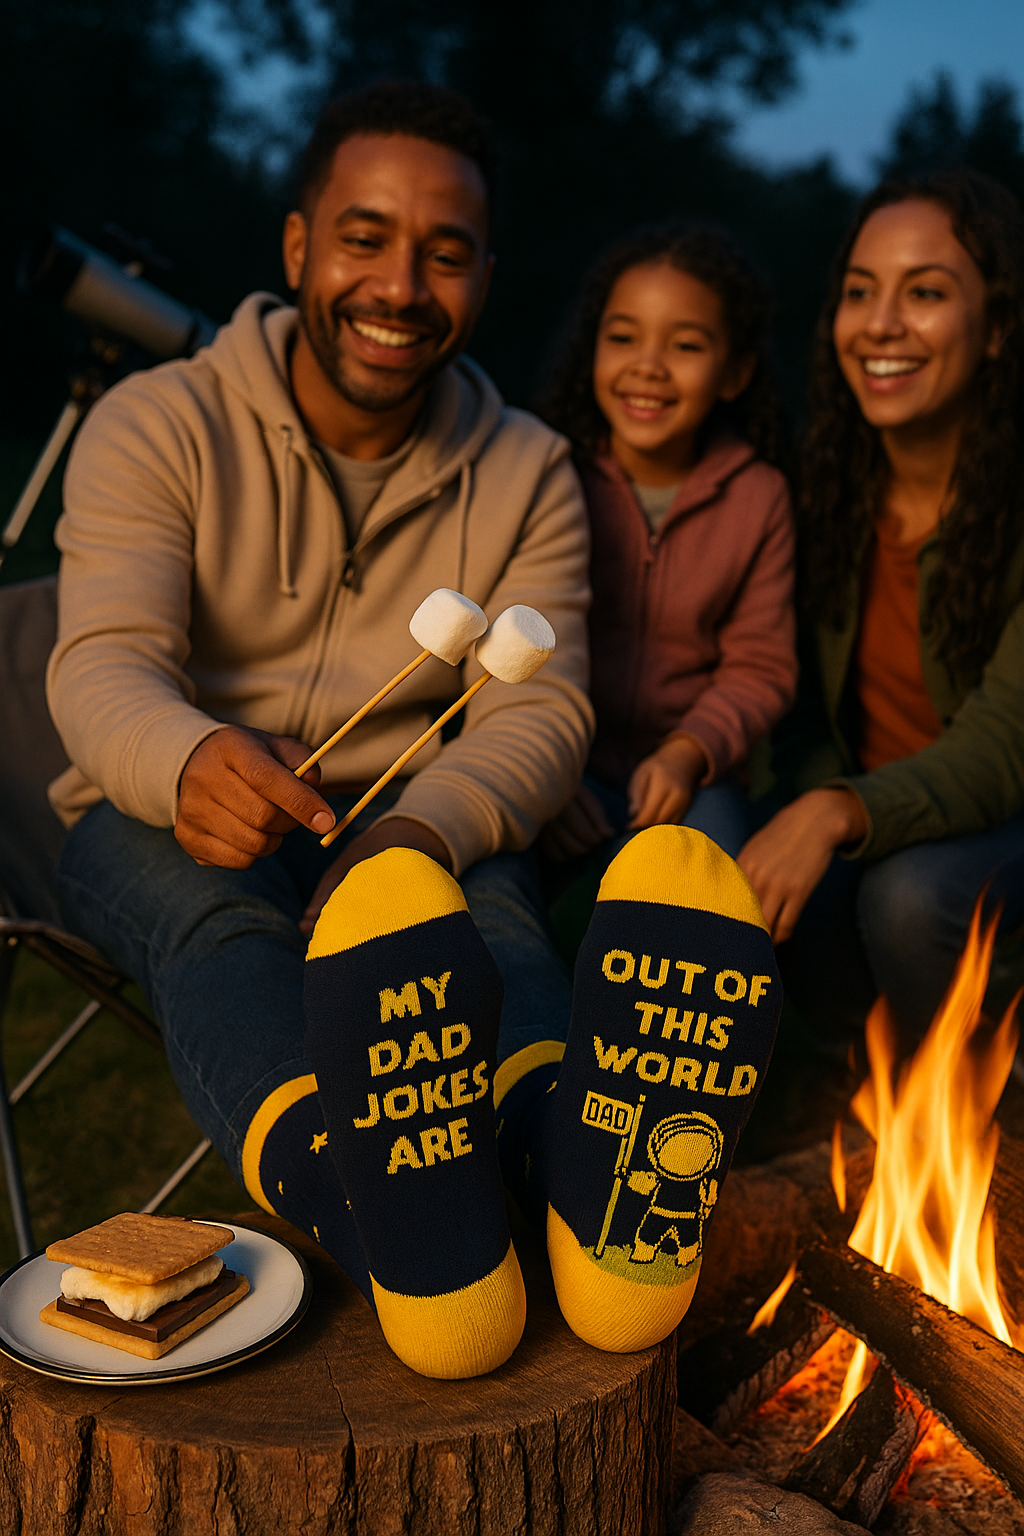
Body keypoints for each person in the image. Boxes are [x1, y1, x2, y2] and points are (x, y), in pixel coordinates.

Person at [47, 81, 593, 1376]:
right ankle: (367, 1202)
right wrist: (184, 757)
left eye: (444, 253)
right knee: (217, 927)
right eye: (364, 238)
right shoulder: (158, 421)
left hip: (414, 809)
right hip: (169, 807)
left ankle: (565, 1169)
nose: (399, 286)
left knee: (492, 923)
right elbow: (106, 663)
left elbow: (544, 704)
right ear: (298, 247)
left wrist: (418, 829)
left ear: (484, 280)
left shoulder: (528, 468)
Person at [738, 169, 1024, 1044]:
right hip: (881, 807)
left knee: (908, 896)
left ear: (998, 329)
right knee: (764, 873)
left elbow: (1004, 744)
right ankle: (876, 1092)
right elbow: (805, 719)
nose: (881, 324)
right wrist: (822, 803)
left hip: (1004, 820)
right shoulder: (825, 493)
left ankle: (984, 1098)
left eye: (925, 292)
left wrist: (838, 812)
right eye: (860, 291)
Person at [538, 224, 797, 868]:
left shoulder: (758, 496)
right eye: (623, 338)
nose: (648, 366)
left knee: (709, 887)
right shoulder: (549, 475)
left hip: (695, 768)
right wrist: (543, 764)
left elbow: (760, 667)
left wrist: (688, 752)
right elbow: (514, 638)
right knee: (499, 873)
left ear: (734, 374)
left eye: (685, 345)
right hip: (556, 755)